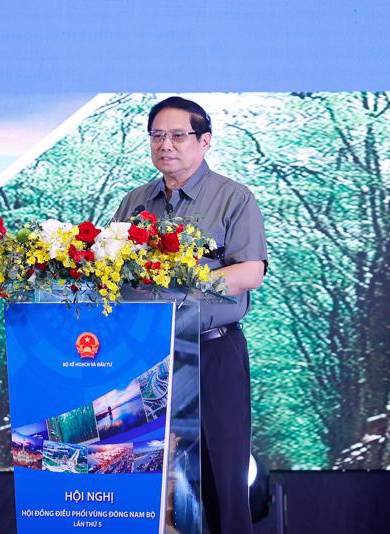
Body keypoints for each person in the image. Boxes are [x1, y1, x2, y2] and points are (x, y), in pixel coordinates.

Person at [113, 96, 268, 534]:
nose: (167, 145)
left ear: (205, 141)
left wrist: (186, 283)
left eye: (179, 135)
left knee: (221, 475)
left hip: (211, 351)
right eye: (157, 136)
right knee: (138, 466)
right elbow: (110, 273)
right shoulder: (133, 204)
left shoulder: (233, 198)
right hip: (146, 357)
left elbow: (250, 271)